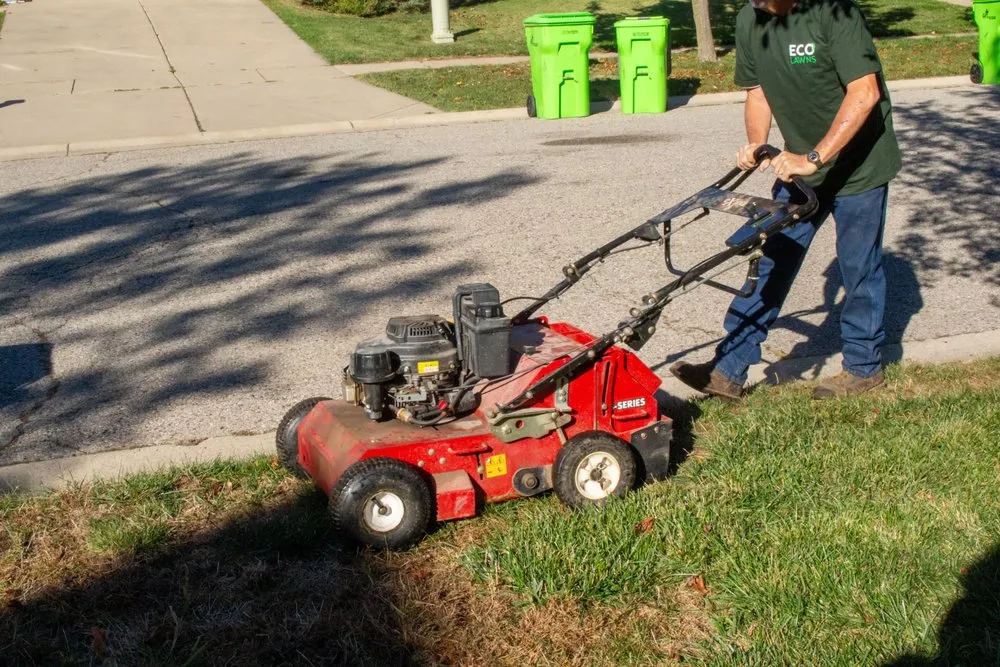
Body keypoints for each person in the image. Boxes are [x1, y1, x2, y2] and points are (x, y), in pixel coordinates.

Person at [670, 0, 902, 401]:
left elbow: (865, 93)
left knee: (858, 267)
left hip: (858, 167)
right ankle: (728, 370)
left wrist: (814, 157)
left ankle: (864, 368)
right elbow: (758, 93)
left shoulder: (834, 12)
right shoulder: (751, 19)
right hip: (799, 169)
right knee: (771, 258)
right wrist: (757, 144)